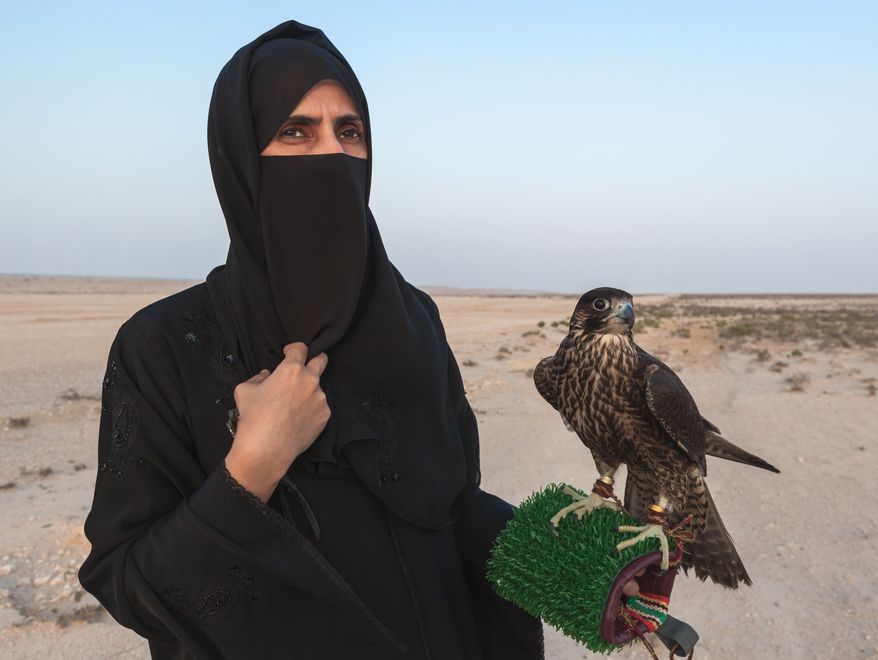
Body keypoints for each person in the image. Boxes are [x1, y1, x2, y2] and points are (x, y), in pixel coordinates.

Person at [78, 19, 544, 660]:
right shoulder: (164, 346)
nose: (332, 154)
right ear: (240, 157)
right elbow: (128, 584)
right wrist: (252, 468)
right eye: (296, 131)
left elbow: (449, 512)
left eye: (349, 132)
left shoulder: (413, 324)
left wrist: (569, 565)